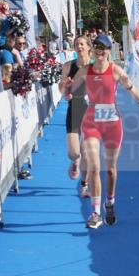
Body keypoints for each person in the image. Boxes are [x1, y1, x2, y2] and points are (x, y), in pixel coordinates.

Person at [63, 34, 139, 230]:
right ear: (94, 50)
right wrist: (66, 89)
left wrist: (134, 92)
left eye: (104, 48)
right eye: (97, 47)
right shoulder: (84, 71)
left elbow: (136, 94)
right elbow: (67, 93)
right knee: (93, 166)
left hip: (112, 126)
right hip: (91, 122)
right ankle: (96, 213)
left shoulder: (116, 71)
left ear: (109, 51)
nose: (100, 51)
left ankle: (110, 202)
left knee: (111, 171)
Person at [60, 35, 92, 195]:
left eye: (82, 44)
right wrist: (66, 91)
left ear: (88, 47)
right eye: (76, 44)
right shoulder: (68, 66)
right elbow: (62, 89)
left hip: (91, 112)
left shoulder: (96, 66)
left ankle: (84, 185)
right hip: (74, 109)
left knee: (86, 151)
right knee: (74, 153)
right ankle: (75, 160)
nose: (79, 47)